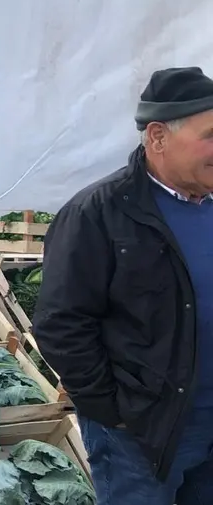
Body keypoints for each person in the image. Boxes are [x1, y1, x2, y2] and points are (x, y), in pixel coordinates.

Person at [34, 66, 213, 504]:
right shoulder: (97, 214)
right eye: (210, 135)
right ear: (157, 137)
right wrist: (114, 412)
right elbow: (62, 324)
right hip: (144, 433)